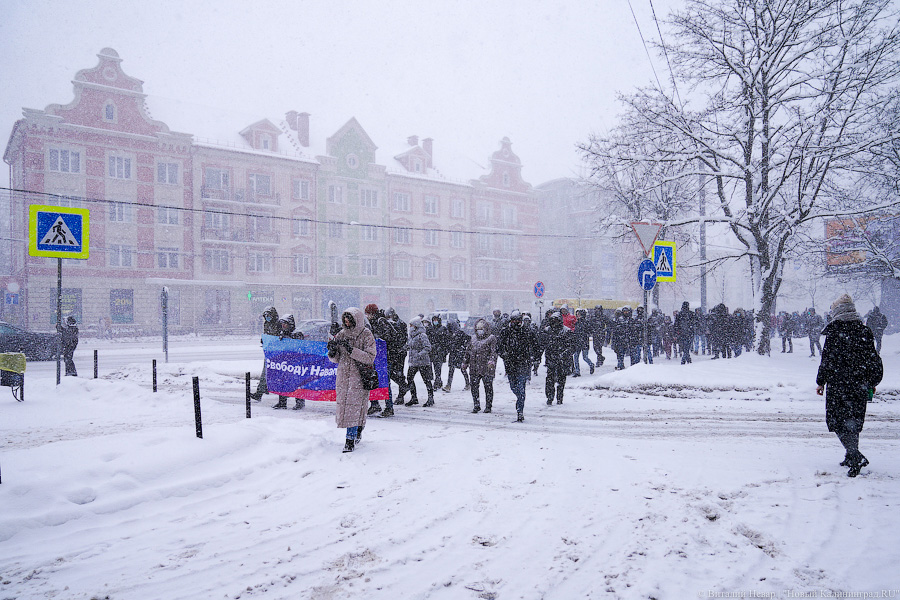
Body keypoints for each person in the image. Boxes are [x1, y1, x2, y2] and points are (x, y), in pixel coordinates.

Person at [816, 294, 883, 477]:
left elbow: (827, 360)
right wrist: (872, 381)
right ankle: (850, 454)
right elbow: (872, 359)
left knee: (838, 421)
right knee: (852, 422)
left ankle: (855, 456)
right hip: (859, 384)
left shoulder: (835, 331)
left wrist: (821, 381)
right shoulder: (864, 331)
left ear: (837, 311)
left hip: (839, 384)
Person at [327, 307, 377, 453]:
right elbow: (336, 359)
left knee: (355, 409)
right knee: (347, 409)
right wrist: (332, 351)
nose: (347, 323)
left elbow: (370, 357)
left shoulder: (366, 334)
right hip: (343, 377)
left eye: (350, 320)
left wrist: (351, 350)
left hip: (359, 377)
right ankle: (355, 431)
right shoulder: (341, 334)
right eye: (345, 320)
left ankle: (350, 440)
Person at [498, 310, 539, 422]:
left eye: (518, 321)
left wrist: (534, 358)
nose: (517, 323)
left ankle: (520, 410)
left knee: (521, 389)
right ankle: (519, 401)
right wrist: (504, 355)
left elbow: (536, 345)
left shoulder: (527, 332)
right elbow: (499, 347)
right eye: (514, 321)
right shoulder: (505, 332)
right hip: (510, 364)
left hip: (523, 364)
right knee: (514, 387)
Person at [540, 310, 576, 405]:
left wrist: (564, 354)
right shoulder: (547, 330)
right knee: (550, 380)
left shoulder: (566, 331)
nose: (555, 323)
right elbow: (541, 345)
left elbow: (572, 346)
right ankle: (550, 397)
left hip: (562, 360)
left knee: (561, 380)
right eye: (553, 321)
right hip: (551, 359)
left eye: (556, 321)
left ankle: (559, 397)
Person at [463, 318, 498, 413]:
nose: (480, 331)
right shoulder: (473, 338)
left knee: (488, 387)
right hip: (474, 367)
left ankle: (488, 405)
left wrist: (491, 361)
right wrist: (465, 362)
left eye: (481, 329)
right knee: (474, 386)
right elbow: (468, 351)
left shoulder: (491, 338)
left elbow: (493, 352)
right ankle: (476, 404)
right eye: (478, 329)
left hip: (486, 368)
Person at [364, 304, 392, 416]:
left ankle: (389, 407)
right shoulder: (371, 323)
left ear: (372, 313)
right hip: (374, 357)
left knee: (385, 383)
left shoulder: (381, 321)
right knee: (372, 381)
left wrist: (377, 340)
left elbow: (386, 338)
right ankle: (374, 404)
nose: (367, 315)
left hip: (384, 358)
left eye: (368, 313)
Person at [378, 307, 408, 418]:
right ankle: (403, 388)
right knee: (394, 376)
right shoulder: (392, 325)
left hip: (395, 354)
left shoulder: (396, 325)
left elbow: (399, 339)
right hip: (394, 354)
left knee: (396, 375)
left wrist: (396, 350)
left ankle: (402, 391)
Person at [272, 314, 306, 410]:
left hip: (295, 363)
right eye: (282, 323)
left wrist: (290, 338)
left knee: (297, 383)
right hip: (285, 363)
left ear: (290, 324)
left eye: (285, 324)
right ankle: (282, 402)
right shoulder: (281, 334)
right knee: (282, 382)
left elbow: (301, 347)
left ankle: (300, 402)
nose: (283, 325)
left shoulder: (297, 333)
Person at [403, 317, 435, 407]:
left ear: (416, 326)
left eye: (412, 325)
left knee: (426, 380)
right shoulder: (411, 335)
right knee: (409, 378)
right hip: (413, 362)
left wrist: (420, 354)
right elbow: (410, 345)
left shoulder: (422, 335)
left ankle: (430, 398)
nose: (410, 327)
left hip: (423, 362)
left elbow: (428, 347)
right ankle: (414, 397)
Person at [250, 306, 280, 401]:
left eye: (269, 315)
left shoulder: (278, 324)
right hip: (269, 352)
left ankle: (264, 391)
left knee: (273, 373)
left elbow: (279, 337)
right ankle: (261, 391)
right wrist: (264, 340)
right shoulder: (266, 324)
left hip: (277, 352)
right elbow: (267, 335)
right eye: (266, 315)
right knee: (265, 372)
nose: (267, 317)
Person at [444, 319, 471, 392]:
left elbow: (469, 339)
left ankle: (468, 384)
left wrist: (463, 347)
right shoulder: (449, 334)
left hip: (459, 354)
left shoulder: (460, 333)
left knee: (462, 369)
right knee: (451, 370)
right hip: (453, 354)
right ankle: (448, 385)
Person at [427, 314, 450, 390]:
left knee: (438, 368)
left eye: (436, 320)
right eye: (434, 320)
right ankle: (438, 381)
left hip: (440, 352)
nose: (435, 321)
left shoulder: (443, 329)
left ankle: (437, 382)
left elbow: (446, 341)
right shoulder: (430, 329)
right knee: (435, 367)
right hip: (432, 352)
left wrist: (443, 349)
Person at [571, 309, 594, 376]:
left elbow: (590, 331)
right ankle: (577, 371)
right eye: (577, 314)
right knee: (575, 357)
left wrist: (583, 334)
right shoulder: (577, 322)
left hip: (584, 342)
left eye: (579, 314)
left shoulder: (586, 322)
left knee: (585, 357)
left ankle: (591, 365)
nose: (577, 315)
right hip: (578, 342)